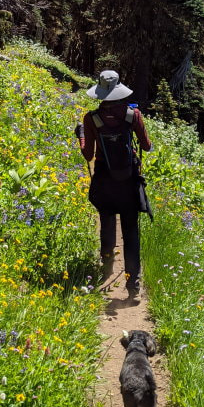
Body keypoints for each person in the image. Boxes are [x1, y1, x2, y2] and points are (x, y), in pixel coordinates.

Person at [75, 70, 152, 296]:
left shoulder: (91, 119)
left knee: (107, 223)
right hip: (128, 181)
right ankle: (132, 283)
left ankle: (107, 265)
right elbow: (146, 146)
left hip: (104, 179)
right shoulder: (133, 115)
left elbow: (88, 155)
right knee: (130, 231)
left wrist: (81, 135)